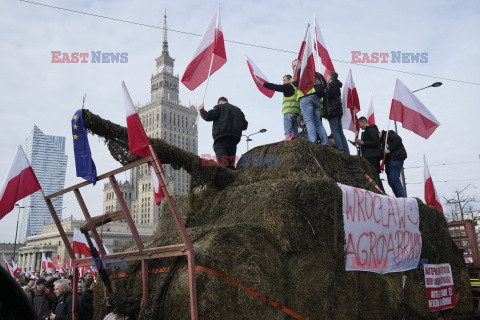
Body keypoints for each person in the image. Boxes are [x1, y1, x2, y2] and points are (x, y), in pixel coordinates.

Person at [198, 97, 248, 169]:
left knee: (223, 164)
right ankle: (234, 178)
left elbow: (208, 116)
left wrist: (201, 110)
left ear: (220, 102)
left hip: (221, 138)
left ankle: (225, 177)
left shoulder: (220, 107)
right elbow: (245, 126)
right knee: (231, 165)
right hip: (234, 139)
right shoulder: (238, 111)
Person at [292, 59, 328, 145]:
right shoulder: (313, 71)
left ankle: (313, 141)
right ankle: (325, 142)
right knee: (318, 122)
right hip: (315, 97)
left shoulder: (302, 70)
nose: (294, 68)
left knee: (308, 121)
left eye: (295, 65)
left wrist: (293, 82)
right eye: (293, 66)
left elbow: (300, 84)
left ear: (301, 63)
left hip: (306, 97)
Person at [256, 75, 300, 139]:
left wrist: (262, 83)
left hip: (288, 112)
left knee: (287, 132)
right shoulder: (296, 88)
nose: (283, 82)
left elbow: (276, 87)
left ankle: (288, 146)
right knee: (296, 133)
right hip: (296, 113)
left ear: (290, 80)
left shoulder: (288, 86)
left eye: (284, 80)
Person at [355, 117, 384, 191]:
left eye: (359, 124)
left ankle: (381, 191)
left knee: (374, 175)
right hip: (369, 156)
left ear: (363, 121)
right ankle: (378, 190)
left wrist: (362, 142)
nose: (360, 127)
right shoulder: (368, 131)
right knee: (372, 175)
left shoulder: (372, 129)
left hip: (373, 156)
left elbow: (375, 142)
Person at [324, 71, 350, 154]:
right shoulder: (337, 85)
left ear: (331, 77)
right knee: (340, 131)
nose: (326, 79)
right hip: (338, 111)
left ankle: (340, 149)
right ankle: (346, 151)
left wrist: (325, 91)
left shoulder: (332, 86)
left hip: (333, 111)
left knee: (335, 131)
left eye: (327, 77)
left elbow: (329, 97)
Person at [380, 130, 407, 197]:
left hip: (396, 158)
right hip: (388, 162)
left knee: (394, 179)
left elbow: (398, 140)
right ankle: (399, 197)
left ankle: (402, 198)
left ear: (379, 133)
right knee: (391, 181)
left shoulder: (388, 133)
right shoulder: (380, 142)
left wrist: (389, 149)